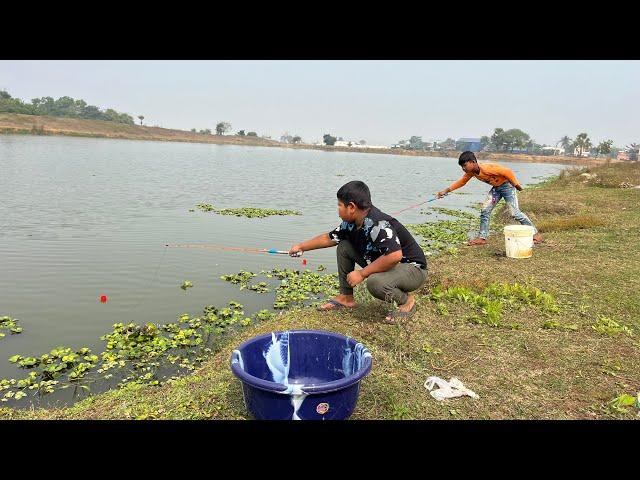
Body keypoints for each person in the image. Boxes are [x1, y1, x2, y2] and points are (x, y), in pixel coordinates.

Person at [289, 181, 427, 323]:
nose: (337, 209)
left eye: (339, 205)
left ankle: (406, 302)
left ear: (351, 207)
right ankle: (346, 298)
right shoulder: (351, 223)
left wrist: (362, 273)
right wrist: (301, 246)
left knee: (375, 283)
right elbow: (329, 238)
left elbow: (394, 256)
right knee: (344, 246)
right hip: (390, 264)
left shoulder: (377, 224)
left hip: (413, 270)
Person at [436, 151, 542, 246]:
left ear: (473, 162)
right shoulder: (471, 173)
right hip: (496, 188)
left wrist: (516, 184)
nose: (463, 168)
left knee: (515, 213)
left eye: (464, 165)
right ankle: (482, 237)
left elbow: (507, 172)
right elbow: (461, 182)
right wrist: (445, 191)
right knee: (485, 210)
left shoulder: (486, 168)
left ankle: (535, 233)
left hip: (507, 186)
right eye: (462, 167)